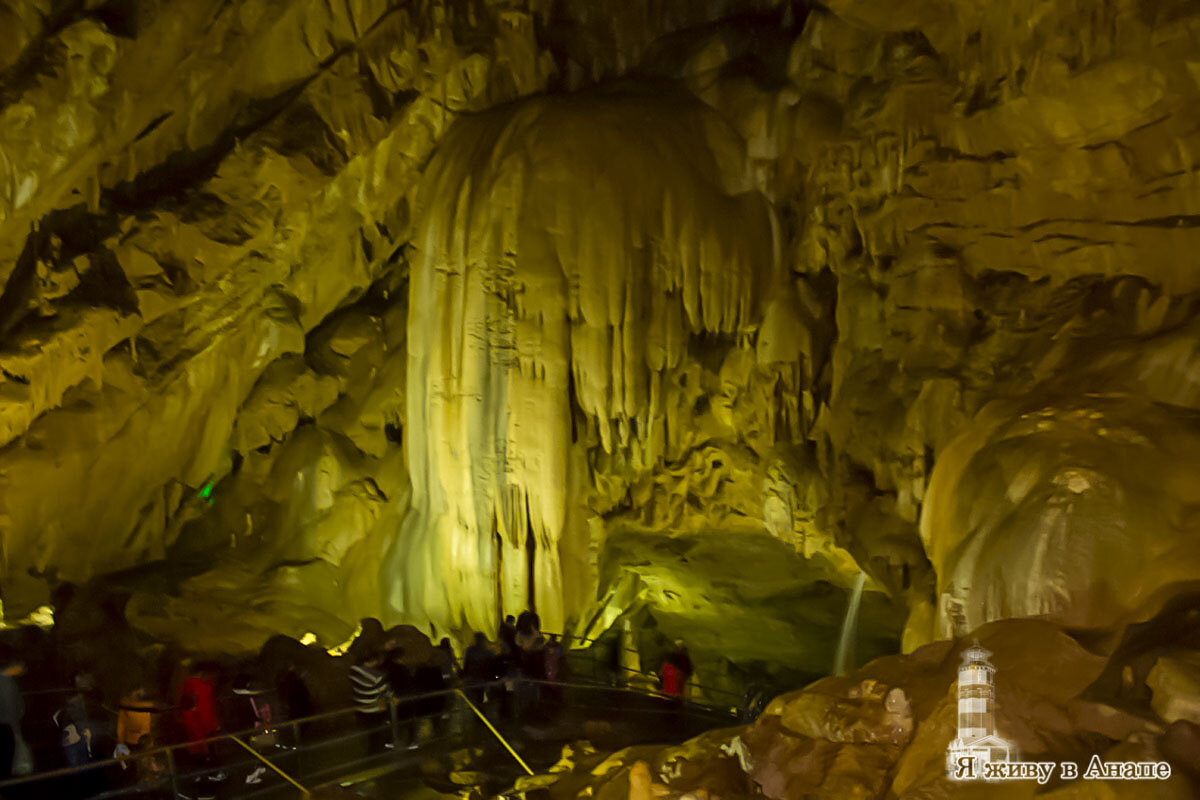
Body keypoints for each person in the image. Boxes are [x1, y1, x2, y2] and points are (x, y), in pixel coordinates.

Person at [348, 651, 390, 753]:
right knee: (377, 731)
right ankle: (377, 750)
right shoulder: (378, 676)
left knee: (370, 731)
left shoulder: (353, 670)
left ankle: (372, 749)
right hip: (374, 708)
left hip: (361, 706)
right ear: (374, 661)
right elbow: (385, 692)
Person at [0, 655, 29, 778]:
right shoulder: (7, 682)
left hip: (8, 726)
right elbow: (16, 707)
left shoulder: (9, 681)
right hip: (7, 727)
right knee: (7, 759)